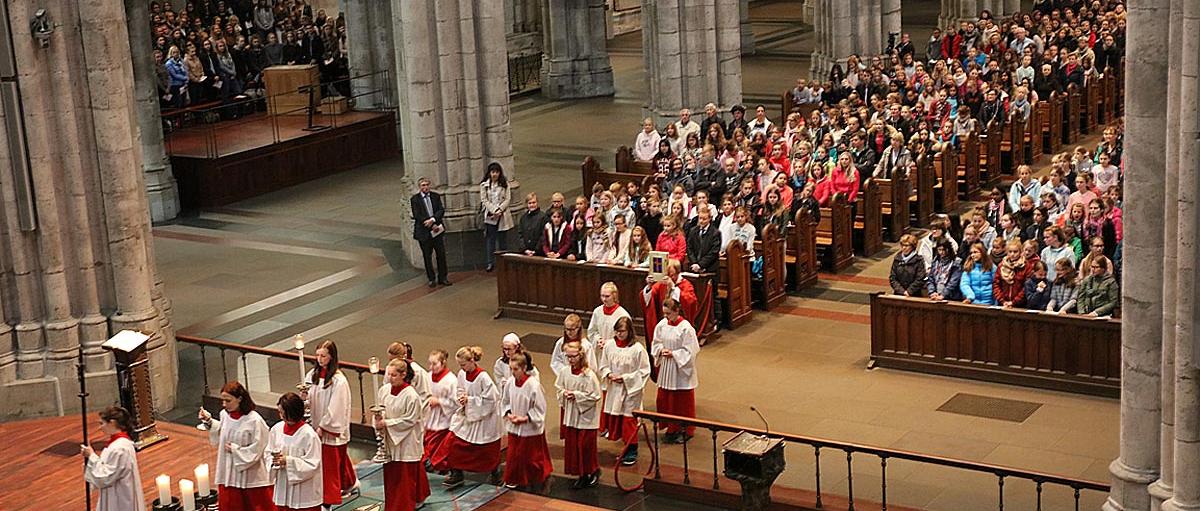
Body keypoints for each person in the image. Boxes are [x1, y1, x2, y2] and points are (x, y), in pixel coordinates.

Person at [430, 346, 502, 488]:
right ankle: (456, 473)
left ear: (472, 361)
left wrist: (470, 400)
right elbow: (460, 390)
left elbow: (492, 400)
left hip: (483, 418)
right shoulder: (462, 374)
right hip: (467, 413)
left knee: (486, 451)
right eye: (459, 365)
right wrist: (461, 398)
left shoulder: (483, 377)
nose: (461, 368)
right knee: (453, 444)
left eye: (463, 364)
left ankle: (496, 473)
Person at [199, 382, 272, 511]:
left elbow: (259, 447)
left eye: (228, 401)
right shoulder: (224, 415)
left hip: (250, 474)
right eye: (223, 400)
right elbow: (223, 433)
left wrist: (236, 450)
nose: (224, 404)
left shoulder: (254, 420)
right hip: (229, 471)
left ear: (240, 399)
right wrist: (209, 422)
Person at [303, 340, 356, 507]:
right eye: (317, 355)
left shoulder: (338, 381)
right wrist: (304, 398)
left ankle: (328, 500)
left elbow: (337, 407)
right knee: (333, 460)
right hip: (315, 423)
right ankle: (349, 482)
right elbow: (309, 397)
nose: (319, 359)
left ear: (331, 357)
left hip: (327, 428)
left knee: (330, 465)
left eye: (323, 356)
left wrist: (323, 426)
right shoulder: (312, 375)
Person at [374, 359, 429, 511]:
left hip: (407, 443)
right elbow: (380, 410)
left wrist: (386, 424)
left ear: (403, 375)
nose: (389, 378)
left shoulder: (411, 395)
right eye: (388, 374)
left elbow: (409, 420)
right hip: (390, 441)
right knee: (392, 480)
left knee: (404, 482)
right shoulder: (384, 390)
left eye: (393, 375)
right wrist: (378, 420)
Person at [598, 316, 651, 466]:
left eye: (622, 331)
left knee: (629, 421)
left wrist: (626, 378)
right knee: (619, 419)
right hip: (615, 388)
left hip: (630, 391)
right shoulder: (610, 346)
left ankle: (632, 451)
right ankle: (625, 447)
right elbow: (603, 365)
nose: (619, 334)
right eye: (617, 331)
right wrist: (609, 374)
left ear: (629, 331)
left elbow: (644, 371)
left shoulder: (637, 349)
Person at [500, 352, 554, 489]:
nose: (513, 373)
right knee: (513, 455)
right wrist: (509, 413)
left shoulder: (533, 385)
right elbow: (505, 400)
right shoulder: (510, 382)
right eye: (511, 369)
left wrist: (526, 418)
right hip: (514, 426)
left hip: (530, 428)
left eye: (516, 369)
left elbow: (540, 407)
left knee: (530, 458)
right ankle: (514, 478)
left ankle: (539, 478)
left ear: (524, 368)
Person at [651, 298, 700, 444]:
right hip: (667, 367)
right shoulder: (662, 325)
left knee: (681, 402)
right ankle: (671, 428)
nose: (666, 316)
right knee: (665, 399)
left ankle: (686, 430)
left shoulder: (686, 328)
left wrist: (674, 354)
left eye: (668, 313)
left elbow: (691, 350)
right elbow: (656, 343)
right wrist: (661, 350)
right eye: (664, 313)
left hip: (680, 369)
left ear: (676, 311)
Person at [556, 339, 603, 489]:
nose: (570, 360)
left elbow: (595, 396)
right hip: (572, 413)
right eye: (568, 357)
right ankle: (581, 474)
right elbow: (558, 388)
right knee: (574, 445)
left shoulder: (588, 375)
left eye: (573, 356)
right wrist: (564, 393)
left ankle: (593, 470)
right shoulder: (564, 372)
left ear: (581, 356)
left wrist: (576, 395)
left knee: (585, 446)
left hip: (586, 416)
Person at [266, 393, 323, 511]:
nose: (280, 415)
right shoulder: (276, 429)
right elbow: (268, 452)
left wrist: (288, 461)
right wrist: (274, 461)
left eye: (282, 412)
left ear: (292, 412)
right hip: (283, 485)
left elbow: (313, 464)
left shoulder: (308, 435)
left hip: (304, 492)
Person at [82, 406, 145, 511]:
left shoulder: (119, 448)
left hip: (118, 497)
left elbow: (106, 476)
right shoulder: (118, 444)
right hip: (117, 491)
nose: (100, 427)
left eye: (102, 423)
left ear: (112, 423)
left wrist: (91, 456)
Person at [411, 177, 450, 288]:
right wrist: (429, 223)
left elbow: (440, 210)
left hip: (437, 230)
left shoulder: (435, 196)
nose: (426, 187)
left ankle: (443, 277)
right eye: (423, 185)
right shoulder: (415, 199)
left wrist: (433, 220)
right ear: (419, 187)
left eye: (427, 184)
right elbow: (417, 214)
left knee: (441, 254)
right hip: (424, 232)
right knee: (427, 256)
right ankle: (431, 278)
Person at [422, 350, 457, 471]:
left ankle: (440, 466)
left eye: (434, 364)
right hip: (430, 416)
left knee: (439, 447)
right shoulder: (427, 376)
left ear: (443, 363)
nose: (431, 367)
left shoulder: (451, 380)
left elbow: (456, 402)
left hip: (443, 418)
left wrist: (440, 402)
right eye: (430, 364)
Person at [479, 164, 513, 271]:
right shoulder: (484, 185)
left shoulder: (505, 184)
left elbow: (507, 199)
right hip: (490, 216)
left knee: (502, 239)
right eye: (493, 172)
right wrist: (494, 210)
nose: (495, 174)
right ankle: (490, 262)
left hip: (502, 215)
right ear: (489, 173)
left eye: (497, 172)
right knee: (490, 240)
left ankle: (504, 261)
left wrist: (500, 210)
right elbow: (484, 200)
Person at [993, 240, 1029, 308]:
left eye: (1015, 252)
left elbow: (1026, 287)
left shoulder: (1026, 266)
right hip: (1003, 303)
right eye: (1010, 252)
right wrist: (1002, 300)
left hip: (1020, 304)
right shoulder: (1001, 265)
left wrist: (1014, 302)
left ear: (1020, 252)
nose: (1012, 254)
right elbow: (996, 284)